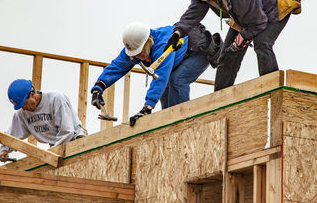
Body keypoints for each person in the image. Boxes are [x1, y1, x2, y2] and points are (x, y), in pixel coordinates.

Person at [164, 0, 301, 91]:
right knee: (227, 55)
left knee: (262, 43)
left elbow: (258, 23)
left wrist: (239, 42)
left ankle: (271, 88)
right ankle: (219, 100)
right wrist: (178, 32)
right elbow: (193, 14)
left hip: (271, 5)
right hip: (244, 14)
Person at [90, 22, 221, 126]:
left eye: (140, 53)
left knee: (177, 80)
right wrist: (98, 88)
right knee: (165, 92)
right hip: (180, 59)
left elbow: (161, 77)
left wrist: (147, 108)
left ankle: (183, 124)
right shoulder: (134, 47)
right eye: (135, 55)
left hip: (198, 52)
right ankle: (169, 125)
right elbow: (117, 66)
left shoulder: (163, 43)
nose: (139, 57)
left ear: (148, 42)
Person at [0, 79, 88, 162]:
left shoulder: (56, 99)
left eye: (24, 104)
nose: (23, 109)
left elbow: (67, 131)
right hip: (55, 149)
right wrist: (4, 150)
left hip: (76, 142)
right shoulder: (22, 113)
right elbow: (12, 136)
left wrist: (50, 154)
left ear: (32, 94)